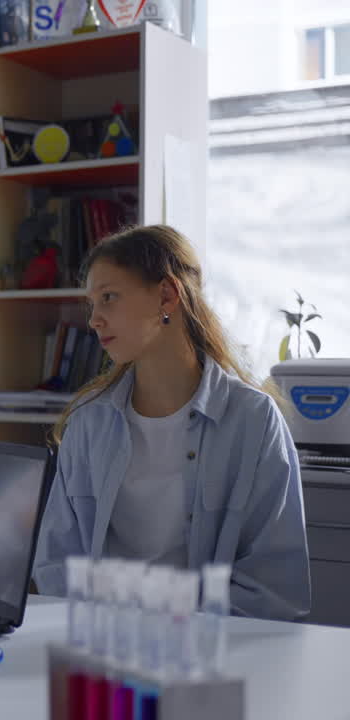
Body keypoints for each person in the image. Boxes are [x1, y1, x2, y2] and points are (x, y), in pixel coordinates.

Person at [33, 224, 310, 621]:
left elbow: (274, 588)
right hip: (100, 643)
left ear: (166, 294)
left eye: (108, 298)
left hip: (213, 649)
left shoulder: (254, 421)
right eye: (92, 304)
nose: (94, 319)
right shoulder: (88, 422)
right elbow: (56, 564)